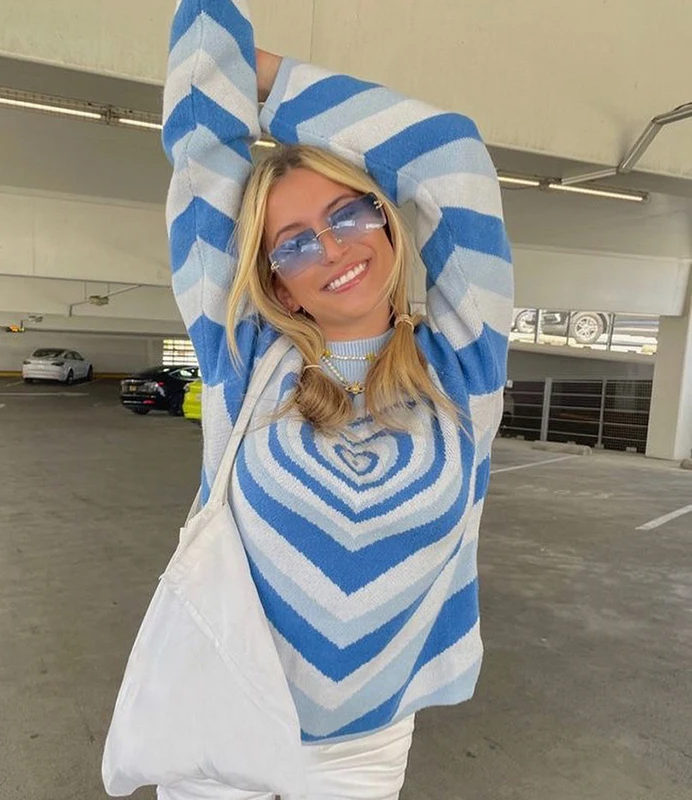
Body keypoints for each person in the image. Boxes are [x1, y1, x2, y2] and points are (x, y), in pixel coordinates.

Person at [160, 0, 513, 797]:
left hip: (363, 748)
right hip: (221, 720)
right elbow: (199, 144)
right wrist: (217, 54)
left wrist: (265, 79)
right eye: (294, 243)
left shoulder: (465, 367)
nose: (331, 248)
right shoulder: (243, 356)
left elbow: (450, 152)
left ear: (388, 223)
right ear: (278, 280)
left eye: (349, 213)